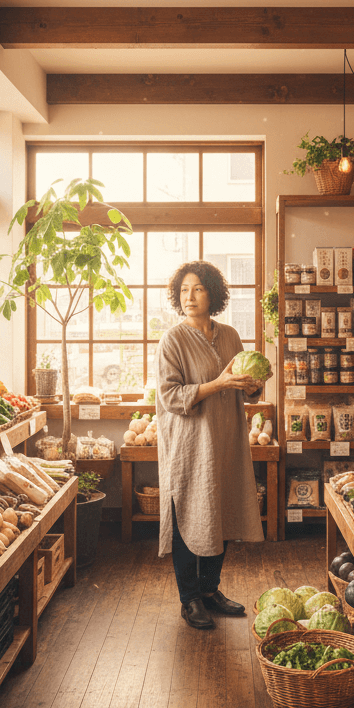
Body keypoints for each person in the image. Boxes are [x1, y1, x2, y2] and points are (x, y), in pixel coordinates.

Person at [156, 261, 271, 629]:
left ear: (213, 295)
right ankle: (189, 599)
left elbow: (247, 388)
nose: (189, 297)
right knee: (190, 516)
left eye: (198, 289)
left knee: (222, 512)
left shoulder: (231, 336)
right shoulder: (172, 340)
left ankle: (210, 590)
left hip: (228, 440)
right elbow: (170, 395)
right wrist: (219, 385)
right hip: (190, 445)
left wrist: (253, 386)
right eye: (184, 290)